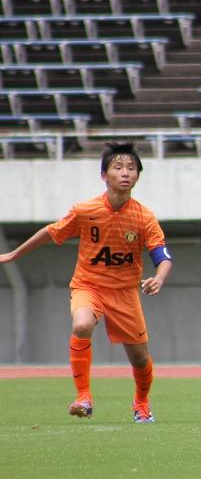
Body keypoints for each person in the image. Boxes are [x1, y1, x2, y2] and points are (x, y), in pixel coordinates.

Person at [0, 142, 172, 423]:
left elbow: (162, 256)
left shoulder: (144, 217)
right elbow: (51, 232)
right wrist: (14, 254)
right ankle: (83, 397)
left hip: (125, 292)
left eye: (131, 168)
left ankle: (141, 403)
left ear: (138, 176)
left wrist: (159, 278)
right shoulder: (85, 210)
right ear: (104, 175)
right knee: (81, 325)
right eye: (118, 167)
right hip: (88, 285)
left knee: (140, 359)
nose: (125, 173)